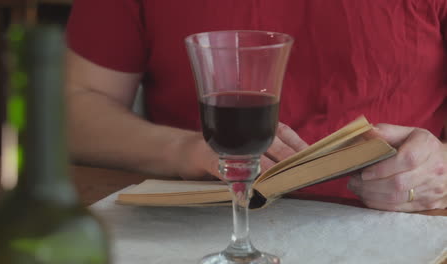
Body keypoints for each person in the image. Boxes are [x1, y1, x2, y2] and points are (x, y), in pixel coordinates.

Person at [64, 0, 447, 212]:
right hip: (198, 226)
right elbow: (71, 111)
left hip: (401, 226)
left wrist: (442, 170)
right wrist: (182, 150)